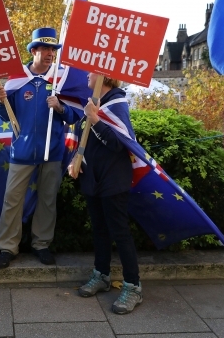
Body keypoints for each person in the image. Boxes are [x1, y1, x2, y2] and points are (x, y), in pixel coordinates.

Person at [0, 27, 78, 269]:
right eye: (46, 48)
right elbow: (6, 116)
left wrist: (61, 108)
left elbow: (73, 116)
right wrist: (1, 101)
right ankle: (8, 247)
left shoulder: (61, 80)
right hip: (21, 151)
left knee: (47, 200)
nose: (51, 53)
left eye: (54, 49)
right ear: (34, 51)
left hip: (52, 152)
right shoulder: (17, 80)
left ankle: (41, 244)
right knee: (12, 200)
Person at [67, 73, 142, 315]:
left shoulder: (116, 103)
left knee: (120, 233)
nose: (87, 74)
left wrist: (95, 119)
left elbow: (119, 143)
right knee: (99, 229)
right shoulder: (94, 101)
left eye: (92, 72)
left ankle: (133, 287)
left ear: (105, 76)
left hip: (113, 180)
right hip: (93, 178)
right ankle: (102, 275)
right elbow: (84, 139)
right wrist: (74, 161)